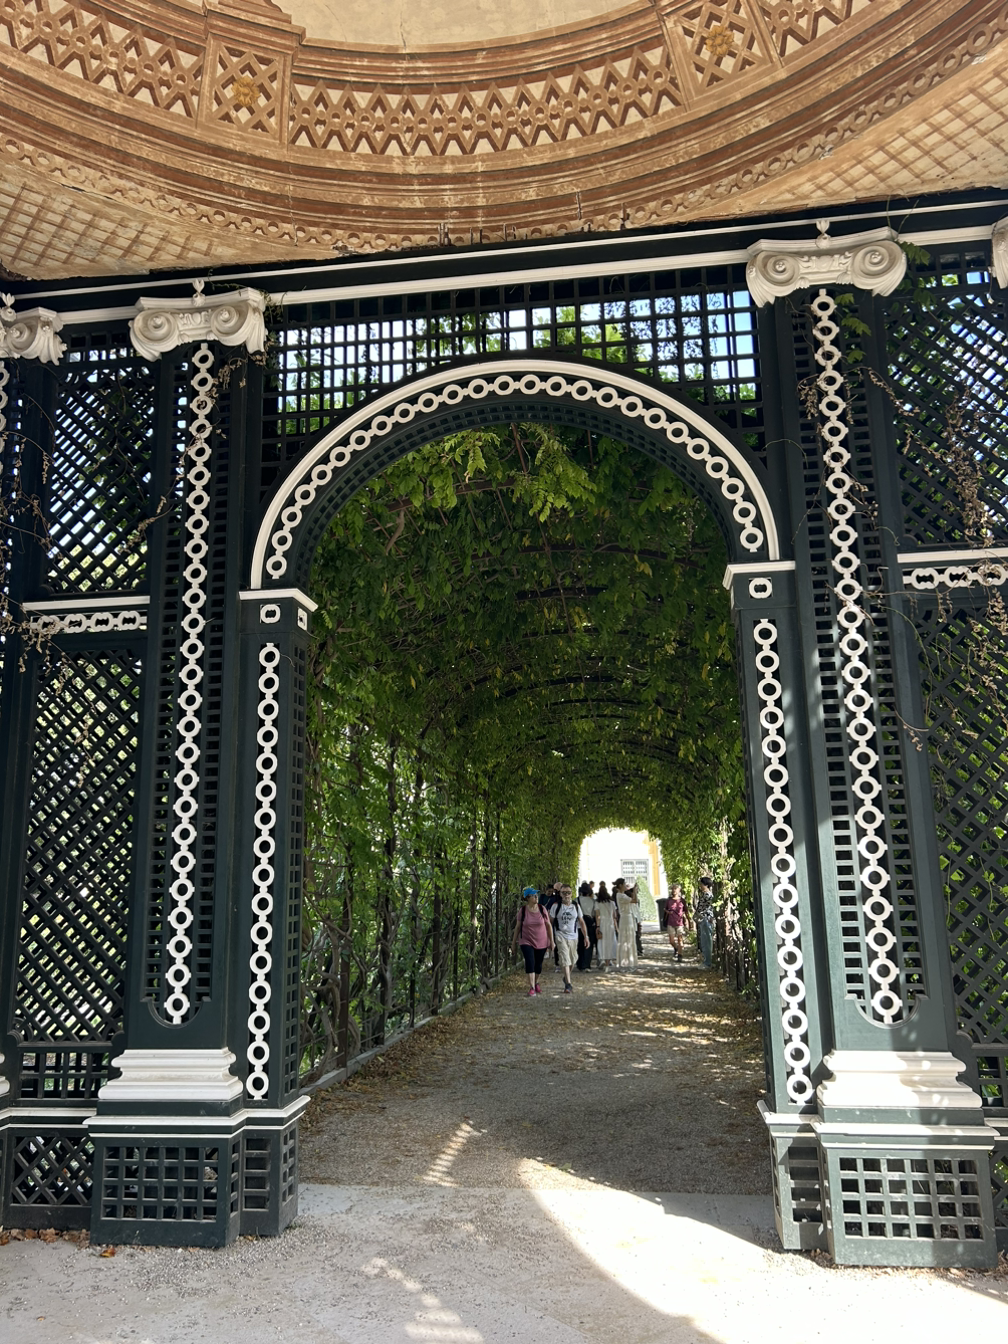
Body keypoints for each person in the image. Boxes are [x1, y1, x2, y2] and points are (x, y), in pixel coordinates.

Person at [512, 887, 554, 996]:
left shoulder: (542, 909)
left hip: (541, 941)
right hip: (526, 940)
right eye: (533, 895)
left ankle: (536, 982)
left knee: (538, 964)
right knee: (530, 961)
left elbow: (548, 925)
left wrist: (552, 941)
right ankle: (531, 987)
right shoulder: (523, 911)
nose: (536, 897)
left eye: (536, 895)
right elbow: (518, 927)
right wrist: (513, 943)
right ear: (527, 898)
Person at [553, 885, 589, 994]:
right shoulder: (556, 906)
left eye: (568, 892)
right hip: (560, 935)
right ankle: (568, 984)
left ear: (571, 893)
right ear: (560, 894)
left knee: (573, 960)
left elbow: (581, 921)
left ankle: (566, 977)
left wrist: (586, 936)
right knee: (565, 958)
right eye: (564, 893)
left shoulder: (576, 906)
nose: (566, 895)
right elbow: (550, 922)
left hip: (573, 936)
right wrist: (549, 937)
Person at [595, 882, 617, 969]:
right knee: (610, 942)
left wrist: (597, 926)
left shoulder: (597, 903)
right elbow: (614, 916)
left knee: (602, 942)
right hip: (610, 924)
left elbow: (598, 916)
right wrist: (616, 926)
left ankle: (602, 959)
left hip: (602, 924)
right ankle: (608, 963)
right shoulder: (612, 903)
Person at [616, 882, 638, 971]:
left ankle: (629, 962)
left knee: (628, 940)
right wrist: (635, 891)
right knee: (626, 940)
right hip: (626, 918)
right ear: (620, 885)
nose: (626, 886)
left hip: (627, 918)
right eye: (624, 884)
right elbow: (635, 900)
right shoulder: (621, 896)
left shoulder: (622, 895)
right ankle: (625, 963)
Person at [696, 876, 716, 970]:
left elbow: (704, 908)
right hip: (704, 919)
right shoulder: (705, 894)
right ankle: (707, 961)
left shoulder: (707, 895)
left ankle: (707, 963)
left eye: (701, 884)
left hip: (706, 919)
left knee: (706, 941)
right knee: (705, 941)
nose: (700, 885)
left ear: (706, 885)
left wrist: (698, 915)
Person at [576, 881, 597, 971]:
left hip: (579, 924)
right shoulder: (593, 901)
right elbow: (594, 914)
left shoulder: (576, 900)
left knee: (580, 944)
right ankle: (587, 964)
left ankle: (580, 963)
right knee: (589, 945)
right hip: (590, 923)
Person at [665, 882, 687, 962]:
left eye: (675, 888)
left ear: (679, 890)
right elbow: (665, 909)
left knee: (680, 939)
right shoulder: (669, 900)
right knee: (671, 941)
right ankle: (676, 948)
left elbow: (686, 911)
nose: (674, 890)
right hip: (671, 922)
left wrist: (688, 921)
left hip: (679, 922)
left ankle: (680, 956)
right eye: (673, 889)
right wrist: (668, 912)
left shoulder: (682, 900)